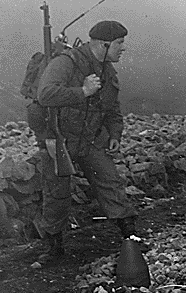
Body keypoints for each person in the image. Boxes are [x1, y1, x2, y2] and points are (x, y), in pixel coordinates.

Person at [35, 20, 137, 262]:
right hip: (61, 139)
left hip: (90, 140)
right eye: (120, 43)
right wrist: (83, 92)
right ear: (104, 44)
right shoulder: (66, 63)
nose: (123, 48)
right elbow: (45, 94)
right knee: (57, 194)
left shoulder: (108, 70)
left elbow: (113, 110)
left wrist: (114, 134)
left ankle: (132, 240)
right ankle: (53, 249)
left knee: (111, 183)